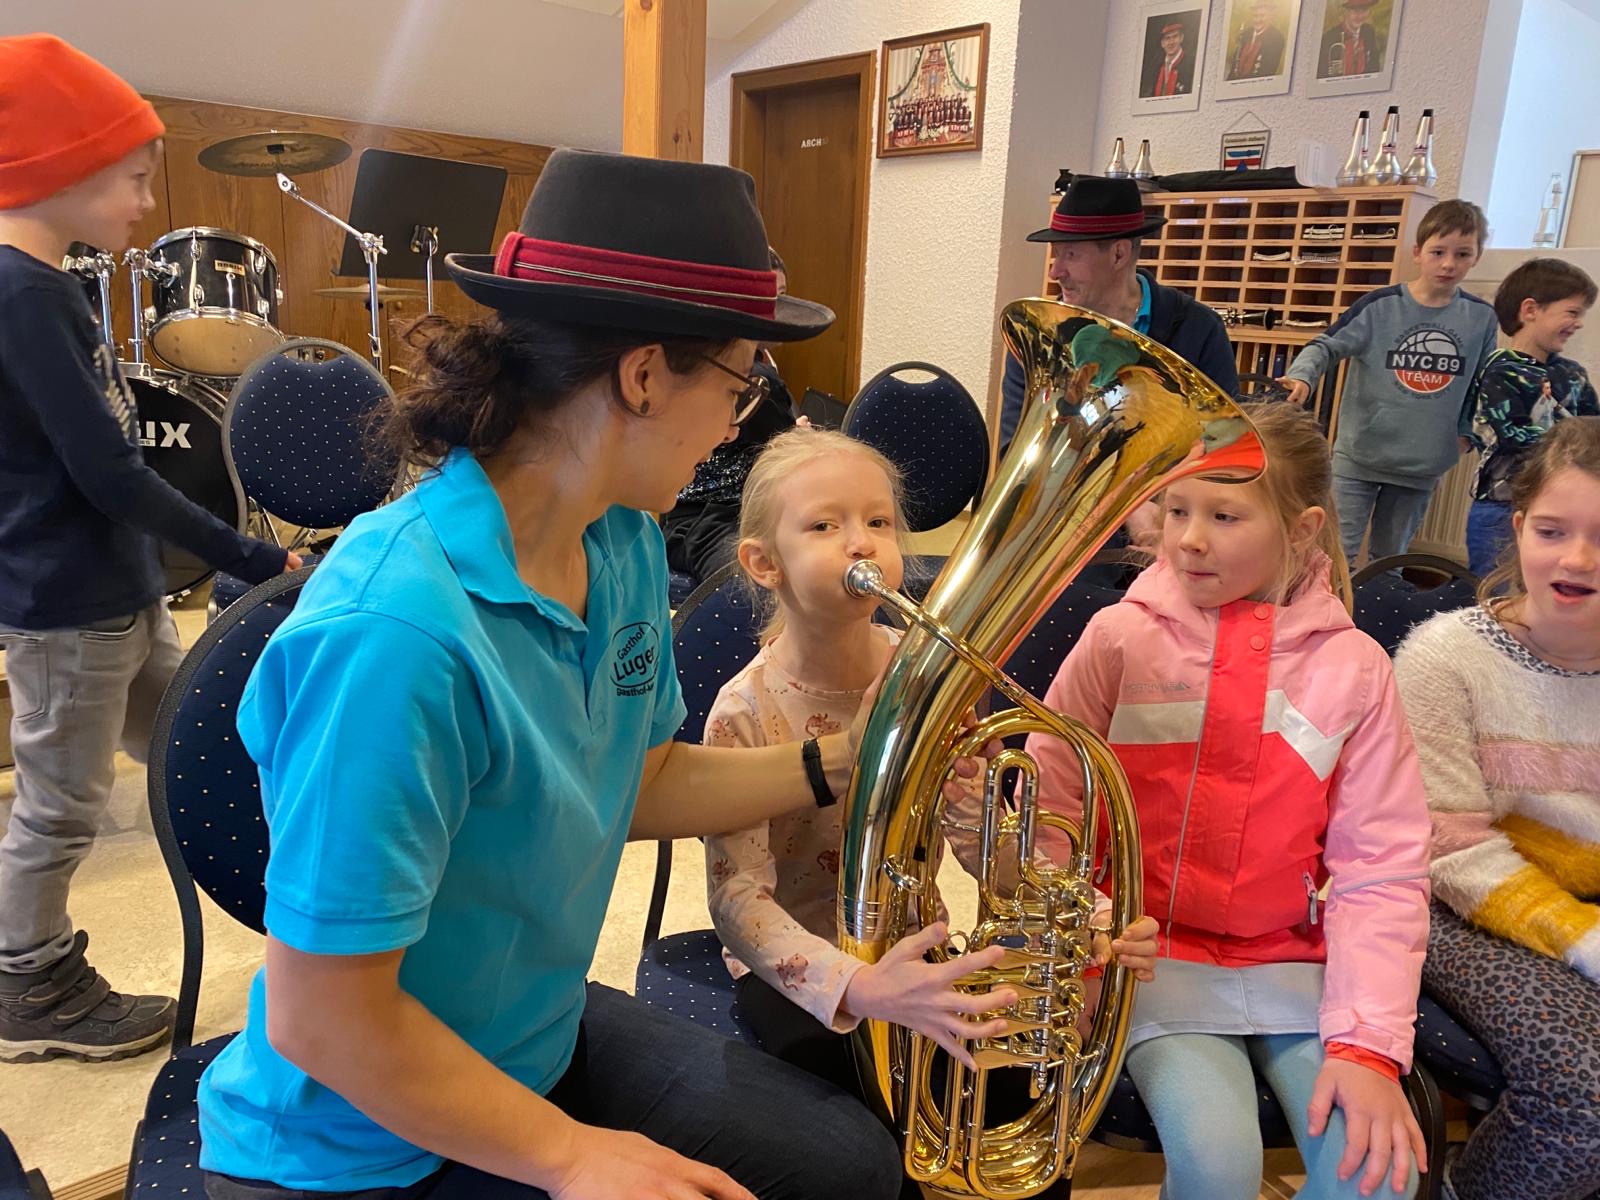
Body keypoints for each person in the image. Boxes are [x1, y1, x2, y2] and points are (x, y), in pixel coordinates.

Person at [190, 148, 1015, 1200]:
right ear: (640, 375)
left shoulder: (619, 539)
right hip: (356, 1143)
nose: (738, 420)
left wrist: (847, 760)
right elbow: (327, 1018)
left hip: (529, 1039)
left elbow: (638, 778)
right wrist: (570, 1156)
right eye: (737, 380)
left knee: (850, 1170)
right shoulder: (393, 634)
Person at [701, 425, 1161, 1198]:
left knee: (1022, 1068)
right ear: (763, 563)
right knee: (856, 1124)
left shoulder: (930, 678)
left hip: (915, 944)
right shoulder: (742, 710)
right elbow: (736, 899)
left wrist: (1086, 914)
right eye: (825, 524)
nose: (862, 544)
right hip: (801, 970)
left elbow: (982, 846)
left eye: (878, 523)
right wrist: (857, 987)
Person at [1032, 402, 1432, 1200]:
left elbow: (1381, 866)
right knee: (1217, 1168)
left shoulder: (1356, 668)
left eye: (1223, 514)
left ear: (1304, 527)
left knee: (1375, 1181)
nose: (1188, 538)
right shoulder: (1119, 637)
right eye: (1177, 507)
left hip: (1292, 966)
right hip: (1149, 962)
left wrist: (1368, 1048)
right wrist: (1071, 961)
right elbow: (1052, 806)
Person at [0, 34, 296, 1065]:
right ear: (57, 169)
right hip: (67, 607)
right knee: (60, 806)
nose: (140, 203)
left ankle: (298, 903)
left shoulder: (54, 287)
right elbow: (113, 475)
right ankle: (26, 980)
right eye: (129, 179)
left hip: (111, 595)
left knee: (189, 747)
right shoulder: (22, 294)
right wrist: (259, 561)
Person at [1393, 417, 1600, 1200]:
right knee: (1587, 1100)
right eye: (1553, 531)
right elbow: (1448, 849)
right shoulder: (1449, 657)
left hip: (1581, 906)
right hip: (1456, 906)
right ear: (1519, 530)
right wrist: (1582, 938)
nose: (1576, 560)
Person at [1280, 200, 1498, 566]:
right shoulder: (1380, 306)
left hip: (1422, 466)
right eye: (1438, 252)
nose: (1448, 264)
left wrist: (1466, 436)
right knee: (1334, 557)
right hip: (1359, 455)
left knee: (1391, 561)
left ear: (1476, 257)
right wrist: (1304, 375)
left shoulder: (1481, 317)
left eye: (1462, 254)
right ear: (1418, 253)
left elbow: (1483, 383)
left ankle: (1383, 622)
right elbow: (1325, 345)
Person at [999, 175, 1238, 456]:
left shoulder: (1199, 329)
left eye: (1071, 255)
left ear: (1118, 254)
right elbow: (1014, 453)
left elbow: (1224, 446)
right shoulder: (1037, 335)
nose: (1055, 272)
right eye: (1056, 255)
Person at [662, 248, 797, 585]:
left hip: (745, 512)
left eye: (779, 298)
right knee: (755, 584)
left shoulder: (759, 364)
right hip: (705, 520)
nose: (730, 432)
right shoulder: (760, 375)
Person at [1463, 258, 1597, 576]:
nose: (1578, 323)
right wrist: (1572, 439)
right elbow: (1512, 436)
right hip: (1500, 507)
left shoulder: (1572, 374)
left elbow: (1595, 431)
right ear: (1531, 310)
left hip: (1562, 509)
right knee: (1495, 595)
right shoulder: (1502, 369)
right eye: (1572, 312)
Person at [1319, 0, 1382, 78]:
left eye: (1364, 10)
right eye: (1356, 11)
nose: (1360, 16)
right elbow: (1321, 73)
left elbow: (1374, 64)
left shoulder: (1369, 31)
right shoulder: (1329, 37)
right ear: (1346, 12)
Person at [1228, 0, 1288, 80]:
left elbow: (1267, 72)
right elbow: (1234, 65)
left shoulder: (1276, 38)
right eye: (1255, 16)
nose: (1258, 20)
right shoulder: (1245, 35)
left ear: (1271, 17)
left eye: (1262, 16)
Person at [1142, 21, 1194, 98]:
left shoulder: (1191, 65)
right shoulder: (1155, 67)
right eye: (1167, 38)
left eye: (1175, 36)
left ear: (1181, 38)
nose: (1171, 42)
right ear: (1162, 43)